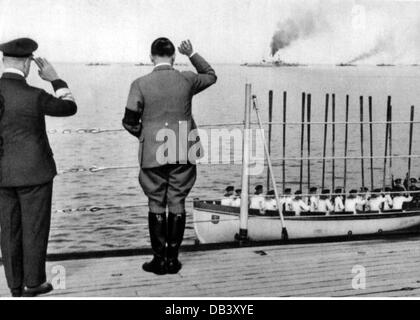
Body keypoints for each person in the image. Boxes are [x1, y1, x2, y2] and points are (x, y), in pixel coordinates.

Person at [122, 38, 217, 275]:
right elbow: (210, 74)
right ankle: (173, 260)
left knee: (156, 202)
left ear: (151, 57)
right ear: (173, 57)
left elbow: (129, 121)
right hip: (183, 150)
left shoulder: (140, 84)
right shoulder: (186, 79)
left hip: (153, 153)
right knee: (177, 201)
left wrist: (147, 137)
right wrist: (192, 53)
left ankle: (158, 260)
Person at [0, 38, 77, 297]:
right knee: (34, 228)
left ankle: (13, 285)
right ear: (26, 64)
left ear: (3, 61)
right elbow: (69, 107)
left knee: (8, 229)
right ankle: (34, 284)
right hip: (35, 172)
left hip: (1, 175)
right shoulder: (35, 95)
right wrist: (56, 80)